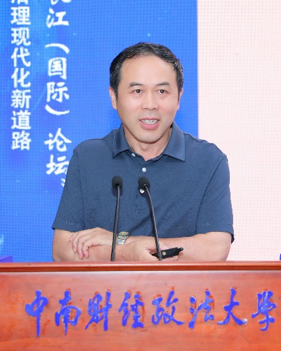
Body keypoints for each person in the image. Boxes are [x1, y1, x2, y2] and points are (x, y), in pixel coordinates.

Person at [52, 42, 233, 262]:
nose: (150, 104)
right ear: (114, 97)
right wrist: (126, 252)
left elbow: (215, 249)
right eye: (137, 91)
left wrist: (121, 241)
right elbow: (62, 250)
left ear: (179, 98)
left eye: (162, 91)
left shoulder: (208, 160)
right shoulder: (88, 157)